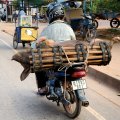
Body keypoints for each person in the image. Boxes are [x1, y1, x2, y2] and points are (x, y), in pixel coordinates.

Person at [33, 2, 76, 95]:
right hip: (71, 58)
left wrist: (35, 44)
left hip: (55, 60)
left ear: (50, 14)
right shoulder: (69, 28)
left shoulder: (47, 29)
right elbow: (74, 41)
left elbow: (35, 46)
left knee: (38, 66)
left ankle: (43, 88)